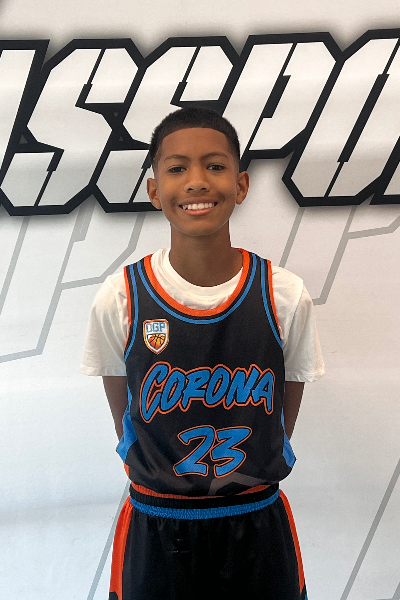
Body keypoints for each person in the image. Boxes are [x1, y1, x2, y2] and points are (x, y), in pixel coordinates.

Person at [81, 106, 325, 600]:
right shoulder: (121, 296)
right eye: (177, 168)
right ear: (154, 190)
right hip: (157, 525)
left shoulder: (283, 294)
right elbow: (125, 415)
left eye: (214, 165)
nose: (196, 181)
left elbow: (283, 417)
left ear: (240, 185)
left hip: (255, 521)